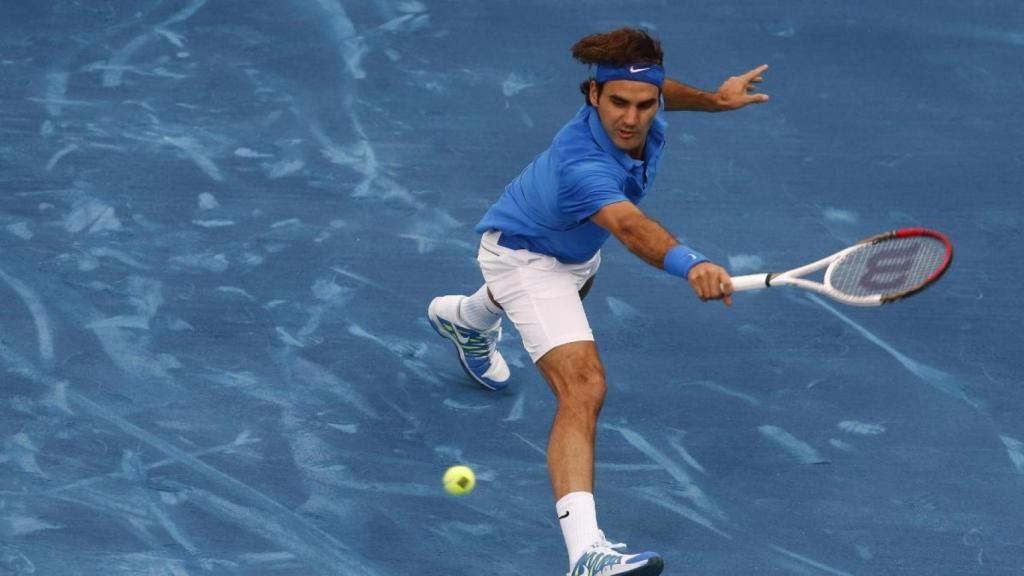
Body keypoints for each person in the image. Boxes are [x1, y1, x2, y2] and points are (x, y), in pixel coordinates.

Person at [427, 27, 768, 576]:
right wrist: (693, 263)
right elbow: (631, 228)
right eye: (617, 103)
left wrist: (715, 101)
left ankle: (464, 319)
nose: (631, 118)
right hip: (526, 257)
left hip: (571, 251)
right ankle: (586, 553)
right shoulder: (582, 164)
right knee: (583, 386)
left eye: (644, 104)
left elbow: (660, 90)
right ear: (592, 95)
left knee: (559, 294)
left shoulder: (642, 105)